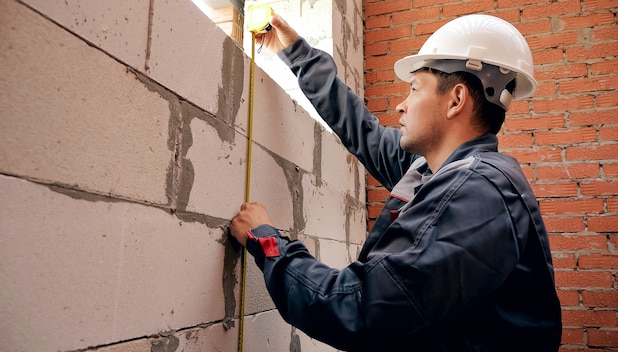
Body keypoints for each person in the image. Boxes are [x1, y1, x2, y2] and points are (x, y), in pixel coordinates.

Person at [230, 13, 562, 351]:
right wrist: (295, 51)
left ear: (456, 100)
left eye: (415, 89)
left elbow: (357, 309)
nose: (401, 105)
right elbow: (360, 127)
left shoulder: (476, 194)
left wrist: (266, 240)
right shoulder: (433, 168)